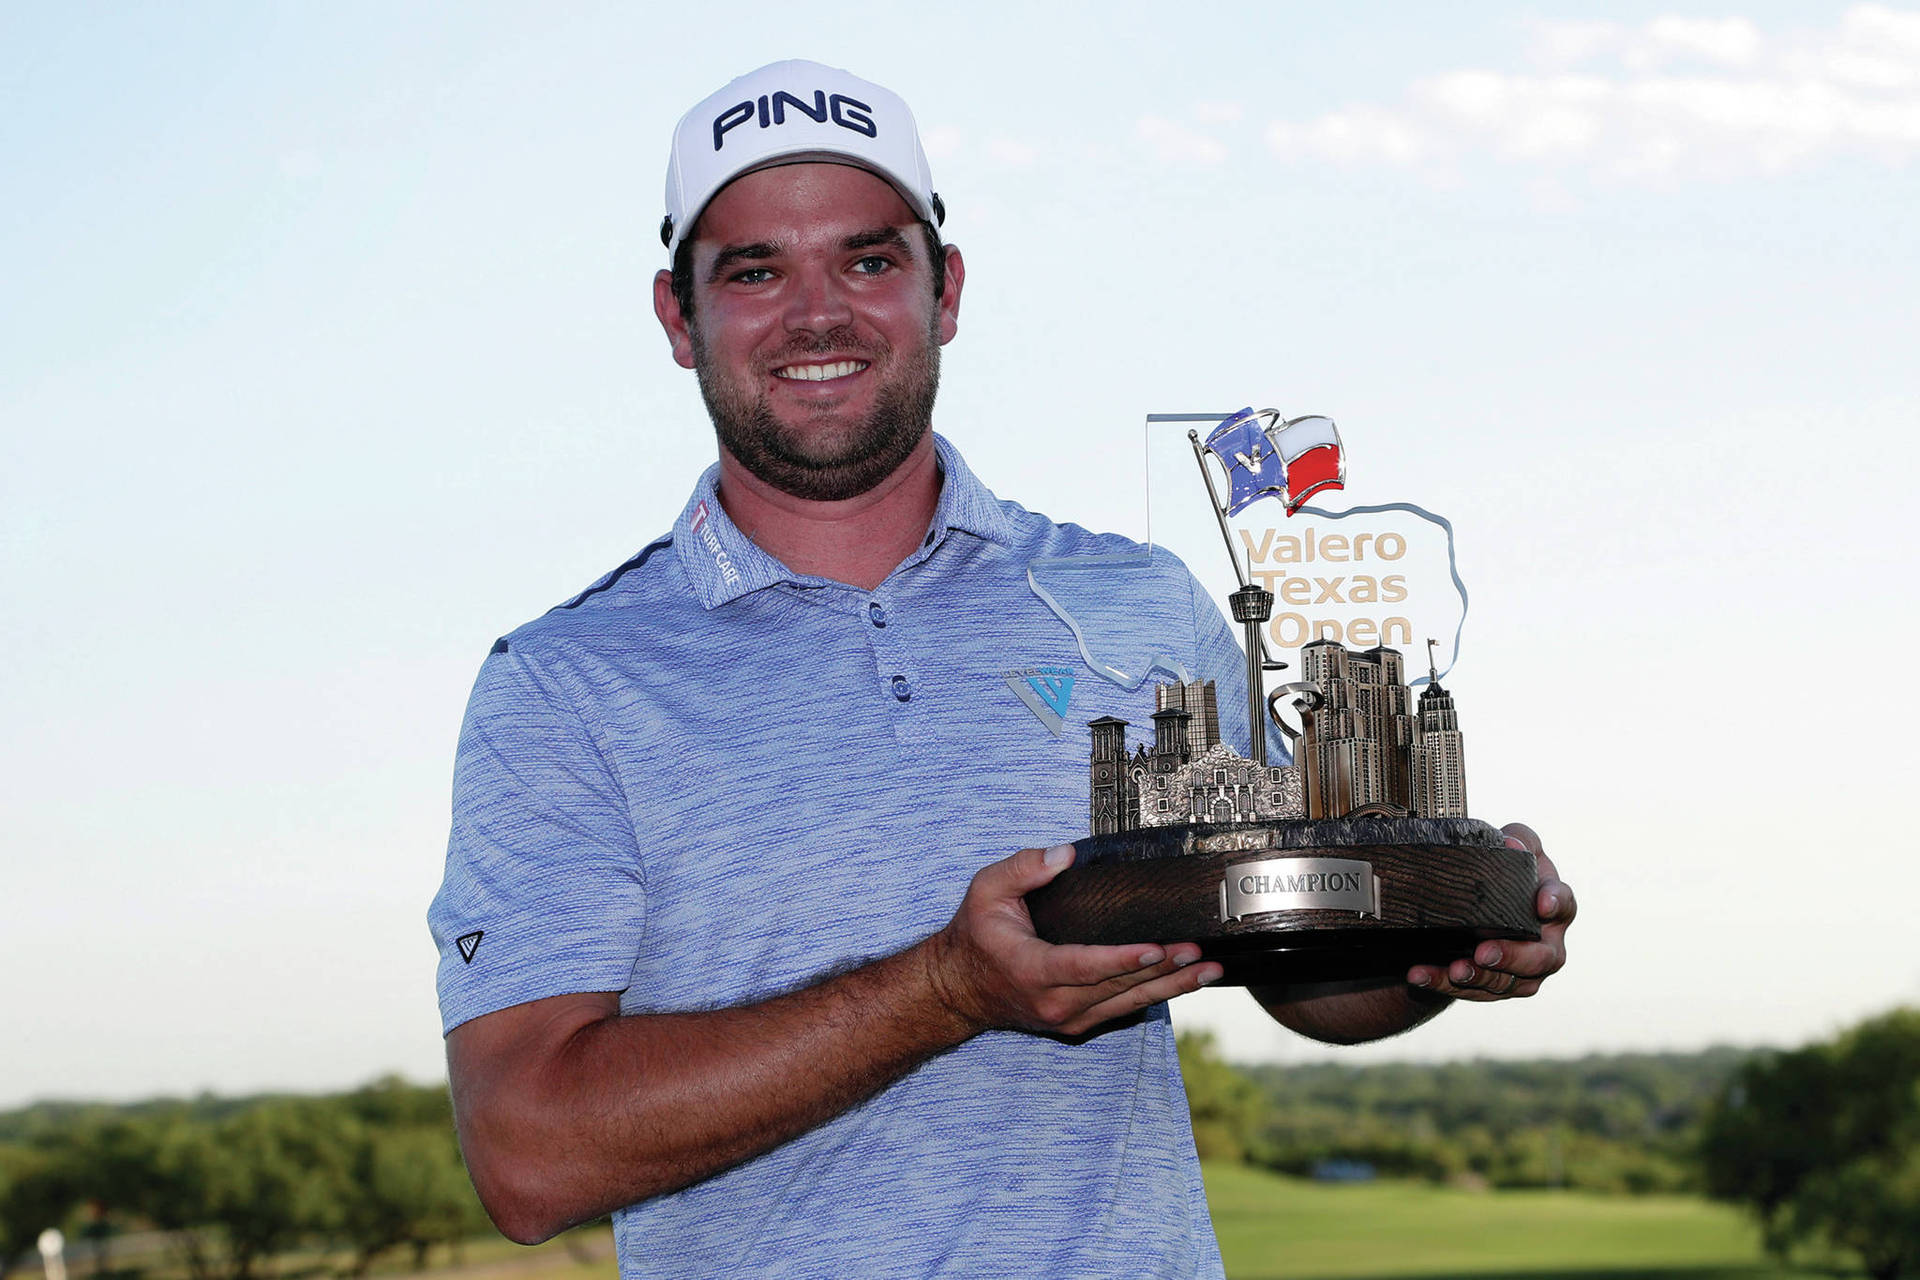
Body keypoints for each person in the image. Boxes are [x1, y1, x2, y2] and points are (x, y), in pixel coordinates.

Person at [428, 59, 1574, 1278]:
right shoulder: (561, 682)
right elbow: (526, 1151)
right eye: (755, 271)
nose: (819, 314)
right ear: (677, 317)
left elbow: (1300, 968)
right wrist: (945, 988)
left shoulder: (1137, 597)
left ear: (947, 289)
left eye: (869, 260)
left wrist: (1443, 935)